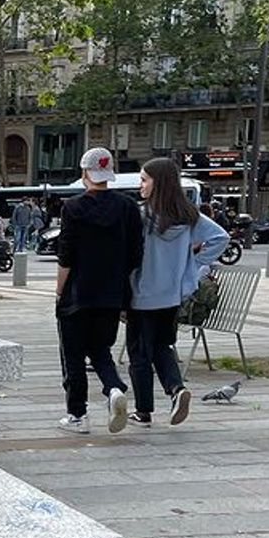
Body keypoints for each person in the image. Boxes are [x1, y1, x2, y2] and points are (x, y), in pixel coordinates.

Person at [127, 157, 229, 428]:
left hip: (142, 294)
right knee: (162, 345)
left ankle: (143, 411)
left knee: (138, 353)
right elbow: (221, 237)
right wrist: (192, 264)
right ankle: (176, 388)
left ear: (157, 183)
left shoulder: (141, 215)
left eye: (144, 180)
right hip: (172, 294)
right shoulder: (188, 215)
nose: (140, 186)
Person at [55, 146, 143, 435]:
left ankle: (77, 414)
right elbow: (135, 253)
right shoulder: (128, 207)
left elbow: (66, 255)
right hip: (112, 294)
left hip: (78, 293)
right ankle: (114, 388)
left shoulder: (73, 207)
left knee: (73, 356)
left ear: (84, 173)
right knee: (100, 349)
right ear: (108, 174)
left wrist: (60, 291)